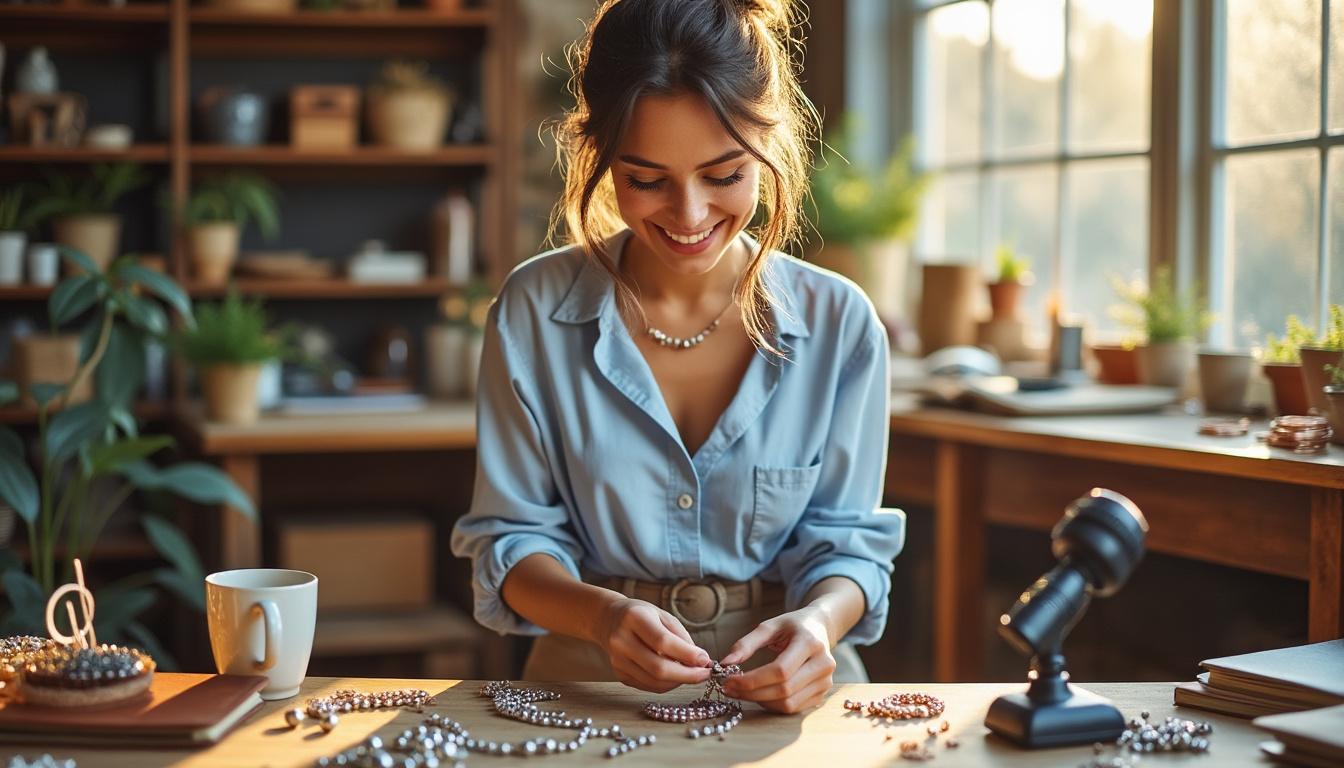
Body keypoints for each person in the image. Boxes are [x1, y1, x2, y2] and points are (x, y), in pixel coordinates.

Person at [451, 0, 905, 714]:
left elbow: (848, 549)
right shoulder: (532, 310)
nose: (689, 217)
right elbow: (510, 542)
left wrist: (819, 624)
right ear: (600, 160)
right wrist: (602, 619)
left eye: (724, 176)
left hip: (793, 693)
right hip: (587, 681)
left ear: (768, 145)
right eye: (647, 179)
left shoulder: (841, 324)